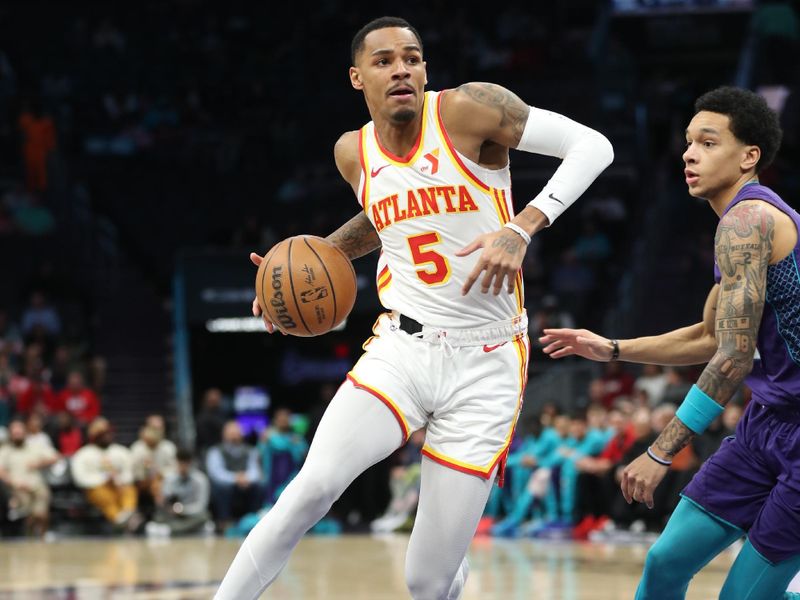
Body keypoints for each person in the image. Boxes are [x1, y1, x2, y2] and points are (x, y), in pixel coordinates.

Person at [215, 16, 613, 600]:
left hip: (487, 360)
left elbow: (593, 146)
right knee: (309, 490)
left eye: (413, 57)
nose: (401, 68)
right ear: (357, 78)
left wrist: (523, 226)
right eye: (384, 61)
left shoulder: (469, 109)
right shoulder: (352, 152)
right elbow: (388, 218)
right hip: (402, 348)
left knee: (426, 581)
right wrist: (306, 266)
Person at [540, 86, 800, 599]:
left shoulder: (748, 220)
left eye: (707, 142)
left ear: (749, 157)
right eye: (688, 142)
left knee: (742, 597)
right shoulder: (735, 229)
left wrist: (659, 452)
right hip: (765, 425)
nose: (688, 153)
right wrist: (610, 347)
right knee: (664, 563)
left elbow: (732, 356)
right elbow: (709, 336)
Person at [71, 417, 141, 532]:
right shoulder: (83, 454)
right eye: (102, 434)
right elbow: (80, 478)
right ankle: (120, 519)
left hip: (118, 486)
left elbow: (129, 472)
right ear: (94, 436)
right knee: (102, 495)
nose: (107, 436)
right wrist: (104, 479)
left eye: (108, 433)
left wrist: (119, 480)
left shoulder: (121, 451)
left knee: (129, 490)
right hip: (97, 489)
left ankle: (128, 514)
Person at [0, 419, 58, 536]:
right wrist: (12, 482)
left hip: (37, 486)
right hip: (17, 488)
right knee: (28, 515)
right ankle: (29, 537)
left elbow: (55, 456)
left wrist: (40, 463)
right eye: (15, 433)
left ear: (25, 433)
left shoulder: (35, 446)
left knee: (41, 513)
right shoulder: (5, 451)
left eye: (20, 433)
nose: (17, 436)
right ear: (10, 435)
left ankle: (43, 537)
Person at [205, 420, 263, 531]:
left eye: (236, 432)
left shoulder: (251, 450)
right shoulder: (215, 451)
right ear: (224, 435)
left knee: (258, 486)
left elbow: (255, 471)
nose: (234, 436)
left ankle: (252, 520)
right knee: (222, 488)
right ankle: (225, 522)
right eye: (231, 433)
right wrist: (236, 478)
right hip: (228, 485)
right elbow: (216, 473)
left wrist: (246, 478)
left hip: (245, 484)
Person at [145, 448, 211, 537]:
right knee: (158, 516)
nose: (183, 467)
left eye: (186, 463)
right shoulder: (169, 478)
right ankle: (188, 529)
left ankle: (171, 530)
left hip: (190, 514)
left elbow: (201, 506)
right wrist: (162, 501)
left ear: (191, 463)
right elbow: (165, 500)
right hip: (172, 514)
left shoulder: (201, 480)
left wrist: (183, 510)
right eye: (180, 463)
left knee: (204, 516)